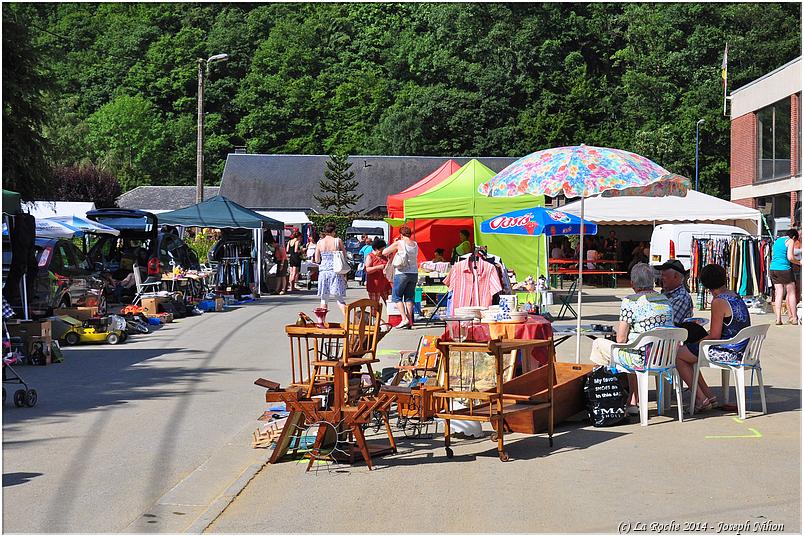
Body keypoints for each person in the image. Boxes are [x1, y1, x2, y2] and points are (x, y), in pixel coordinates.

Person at [589, 263, 675, 414]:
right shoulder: (665, 300)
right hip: (664, 357)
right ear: (653, 281)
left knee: (598, 344)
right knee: (633, 347)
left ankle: (602, 396)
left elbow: (621, 339)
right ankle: (633, 399)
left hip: (641, 359)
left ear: (632, 283)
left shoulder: (630, 302)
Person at [675, 264, 752, 412]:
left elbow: (714, 336)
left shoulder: (719, 302)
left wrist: (698, 341)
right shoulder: (734, 295)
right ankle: (708, 396)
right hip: (742, 347)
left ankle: (701, 399)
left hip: (730, 351)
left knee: (679, 355)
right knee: (689, 352)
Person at [383, 225, 419, 329]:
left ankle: (404, 318)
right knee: (409, 297)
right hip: (414, 273)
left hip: (402, 272)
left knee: (396, 296)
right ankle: (409, 320)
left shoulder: (400, 243)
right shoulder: (415, 244)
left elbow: (385, 252)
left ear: (401, 234)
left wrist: (395, 242)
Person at [314, 222, 348, 315]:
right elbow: (344, 255)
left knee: (324, 299)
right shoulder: (338, 241)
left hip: (324, 271)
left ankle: (321, 321)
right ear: (333, 231)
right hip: (336, 271)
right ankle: (348, 320)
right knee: (339, 299)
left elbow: (317, 260)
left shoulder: (320, 242)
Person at [769, 228, 799, 325]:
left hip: (773, 269)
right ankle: (794, 318)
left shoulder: (777, 240)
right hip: (784, 269)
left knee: (778, 294)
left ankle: (778, 319)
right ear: (794, 237)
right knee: (791, 293)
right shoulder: (790, 241)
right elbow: (790, 257)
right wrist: (799, 262)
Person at [365, 238, 391, 305]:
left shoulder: (384, 256)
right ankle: (374, 316)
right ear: (376, 249)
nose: (383, 252)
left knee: (391, 304)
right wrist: (378, 267)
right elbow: (367, 270)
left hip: (386, 285)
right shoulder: (370, 257)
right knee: (374, 306)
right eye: (381, 250)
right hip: (374, 286)